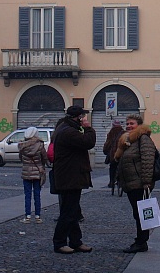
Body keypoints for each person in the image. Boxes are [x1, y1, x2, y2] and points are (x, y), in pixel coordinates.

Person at [50, 105, 96, 255]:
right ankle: (60, 242)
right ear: (79, 117)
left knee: (72, 211)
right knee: (68, 212)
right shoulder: (68, 132)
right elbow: (88, 142)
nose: (84, 119)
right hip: (70, 177)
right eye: (83, 116)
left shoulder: (64, 128)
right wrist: (89, 128)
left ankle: (76, 241)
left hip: (69, 176)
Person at [114, 113, 157, 253]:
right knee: (137, 213)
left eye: (131, 123)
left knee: (141, 214)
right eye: (127, 124)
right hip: (131, 183)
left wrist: (146, 182)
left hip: (139, 183)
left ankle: (141, 242)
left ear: (139, 125)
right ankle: (140, 240)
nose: (128, 126)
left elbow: (147, 160)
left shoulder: (143, 139)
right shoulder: (128, 140)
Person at [18, 127, 47, 224]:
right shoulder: (40, 145)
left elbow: (20, 158)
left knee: (27, 195)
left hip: (26, 172)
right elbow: (44, 158)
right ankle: (38, 216)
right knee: (37, 194)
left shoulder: (22, 146)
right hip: (37, 173)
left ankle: (27, 216)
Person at [102, 119, 125, 196]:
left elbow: (107, 143)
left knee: (112, 168)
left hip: (113, 155)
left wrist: (105, 150)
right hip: (122, 155)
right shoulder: (124, 133)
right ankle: (123, 182)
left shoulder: (111, 133)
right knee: (124, 167)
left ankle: (111, 182)